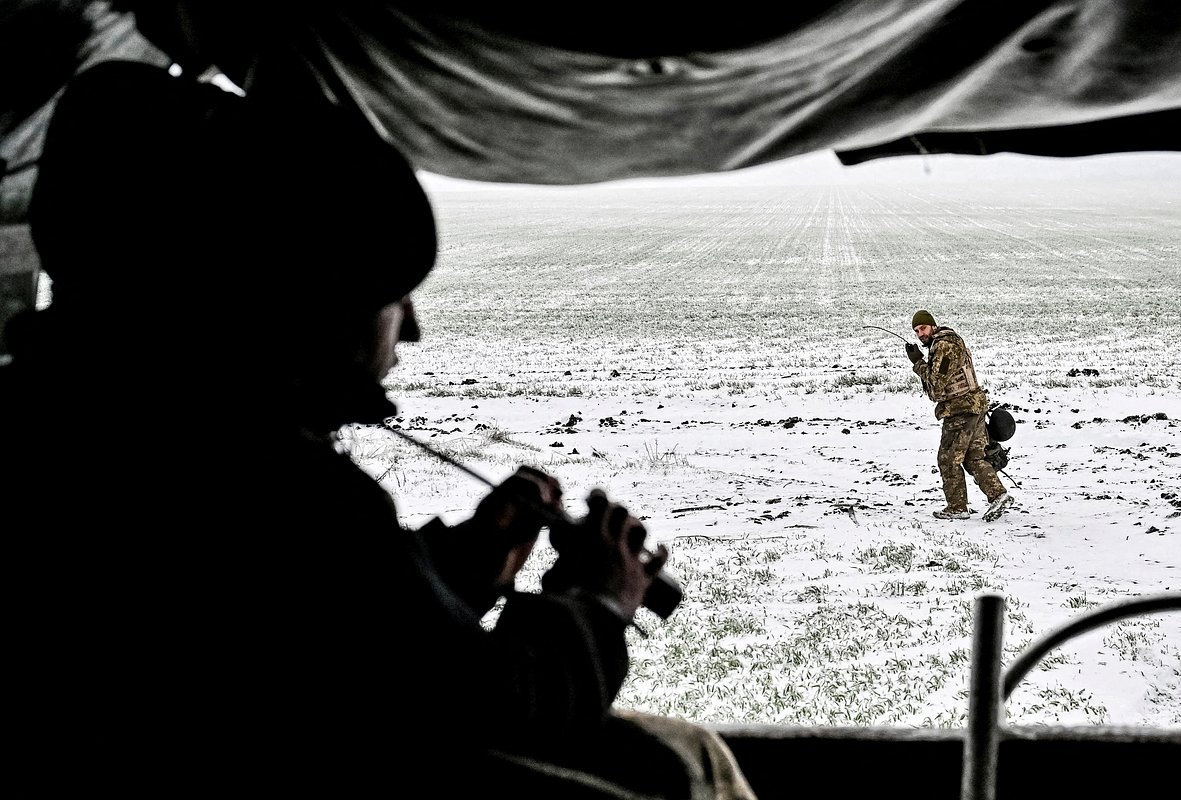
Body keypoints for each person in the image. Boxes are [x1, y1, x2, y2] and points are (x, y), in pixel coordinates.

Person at [7, 59, 757, 799]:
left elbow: (335, 634)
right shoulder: (272, 484)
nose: (414, 331)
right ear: (307, 301)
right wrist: (595, 605)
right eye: (395, 297)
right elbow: (494, 708)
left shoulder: (61, 419)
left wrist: (458, 566)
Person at [905, 309, 1012, 522]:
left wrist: (918, 363)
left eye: (923, 328)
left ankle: (956, 507)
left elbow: (936, 387)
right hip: (975, 408)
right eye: (916, 331)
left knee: (948, 460)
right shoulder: (949, 341)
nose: (920, 334)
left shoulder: (944, 347)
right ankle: (998, 495)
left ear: (933, 326)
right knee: (973, 459)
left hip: (960, 412)